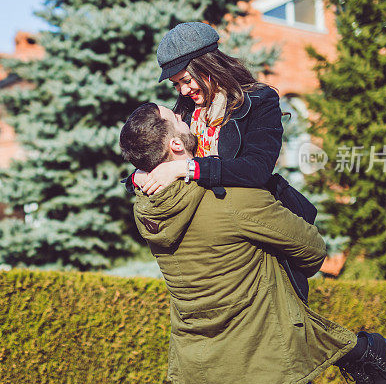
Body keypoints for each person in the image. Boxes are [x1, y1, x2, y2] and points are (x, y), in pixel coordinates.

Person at [119, 102, 386, 384]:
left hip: (206, 380)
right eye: (175, 118)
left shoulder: (147, 213)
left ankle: (360, 352)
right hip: (268, 373)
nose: (183, 115)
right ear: (176, 144)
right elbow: (314, 251)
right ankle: (362, 351)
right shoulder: (231, 201)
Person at [127, 21, 317, 303]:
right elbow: (160, 150)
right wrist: (138, 176)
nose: (182, 91)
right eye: (176, 84)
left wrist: (186, 168)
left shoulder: (259, 101)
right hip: (213, 241)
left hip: (256, 229)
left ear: (208, 66)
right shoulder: (187, 111)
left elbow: (257, 169)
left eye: (186, 80)